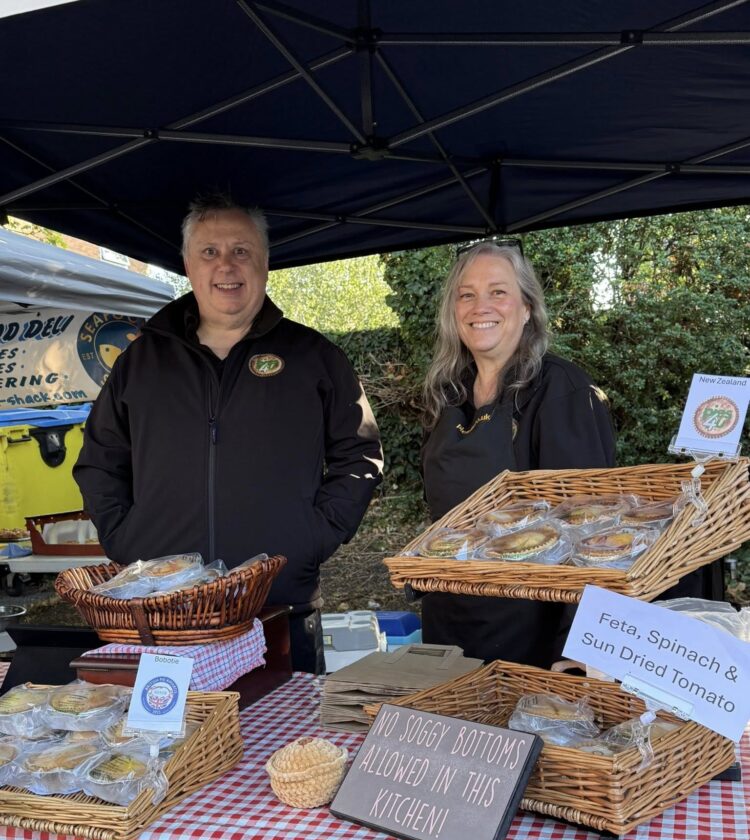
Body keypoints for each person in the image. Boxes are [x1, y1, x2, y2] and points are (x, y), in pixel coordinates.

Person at [73, 193, 383, 673]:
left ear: (264, 261)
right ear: (187, 264)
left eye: (241, 250)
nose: (226, 266)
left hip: (279, 606)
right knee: (176, 747)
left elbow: (359, 455)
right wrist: (125, 540)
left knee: (287, 742)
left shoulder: (314, 356)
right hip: (166, 612)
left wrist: (311, 537)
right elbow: (100, 460)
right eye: (209, 252)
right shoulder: (141, 361)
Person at [420, 238, 616, 668]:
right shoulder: (450, 392)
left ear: (527, 308)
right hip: (449, 624)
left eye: (498, 292)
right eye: (466, 295)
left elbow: (590, 526)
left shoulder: (561, 392)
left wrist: (578, 652)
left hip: (531, 637)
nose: (479, 306)